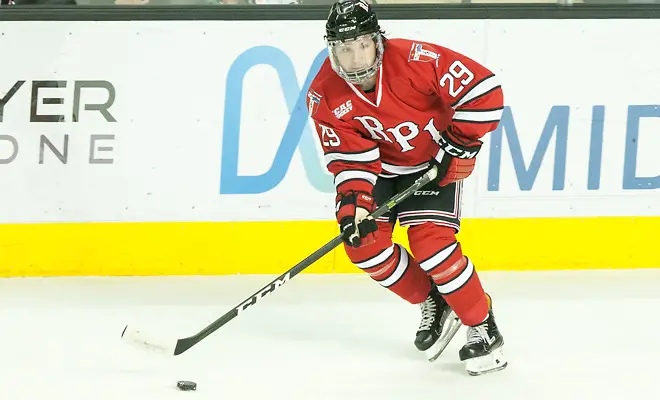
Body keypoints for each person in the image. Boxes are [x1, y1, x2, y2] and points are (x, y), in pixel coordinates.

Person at [307, 0, 507, 376]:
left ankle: (481, 323)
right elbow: (351, 160)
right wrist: (355, 205)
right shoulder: (324, 94)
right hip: (382, 171)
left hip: (431, 167)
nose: (354, 57)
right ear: (332, 49)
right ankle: (434, 300)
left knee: (432, 247)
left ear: (377, 40)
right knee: (363, 247)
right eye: (344, 48)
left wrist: (460, 143)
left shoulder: (416, 59)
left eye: (362, 44)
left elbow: (485, 90)